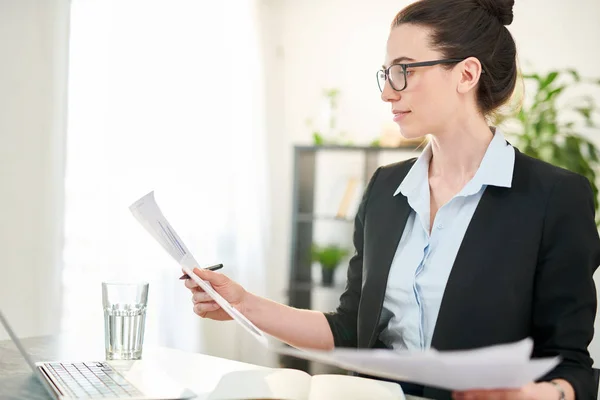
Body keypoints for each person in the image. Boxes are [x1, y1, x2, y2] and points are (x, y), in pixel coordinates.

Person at [184, 0, 600, 399]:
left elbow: (570, 364)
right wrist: (243, 304)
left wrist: (540, 394)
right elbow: (350, 327)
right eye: (385, 74)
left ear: (466, 75)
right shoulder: (386, 188)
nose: (387, 93)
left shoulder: (554, 198)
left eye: (403, 72)